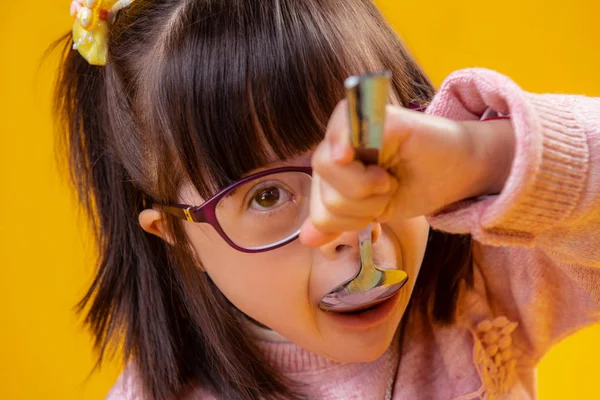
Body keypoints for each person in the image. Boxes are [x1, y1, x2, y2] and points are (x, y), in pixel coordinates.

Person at [55, 0, 599, 399]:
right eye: (267, 195)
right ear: (180, 237)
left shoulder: (484, 283)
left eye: (367, 153)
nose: (350, 225)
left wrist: (483, 158)